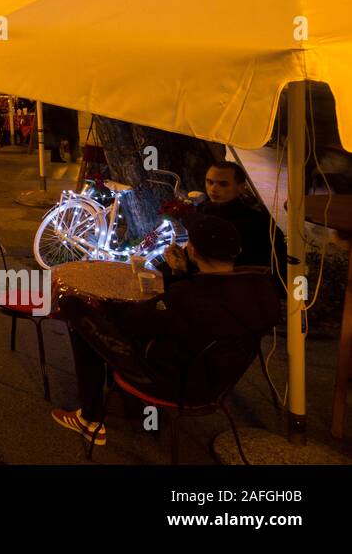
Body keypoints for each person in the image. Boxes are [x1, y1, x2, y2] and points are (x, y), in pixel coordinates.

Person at [51, 215, 283, 446]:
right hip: (218, 383)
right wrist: (182, 275)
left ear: (191, 250)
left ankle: (90, 419)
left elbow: (133, 322)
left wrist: (104, 305)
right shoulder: (259, 289)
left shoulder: (188, 297)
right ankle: (117, 397)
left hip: (168, 381)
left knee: (77, 311)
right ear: (237, 250)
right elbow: (197, 308)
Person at [162, 160, 287, 281]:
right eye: (209, 182)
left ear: (242, 187)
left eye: (223, 184)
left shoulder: (257, 222)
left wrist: (182, 270)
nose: (213, 189)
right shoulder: (203, 210)